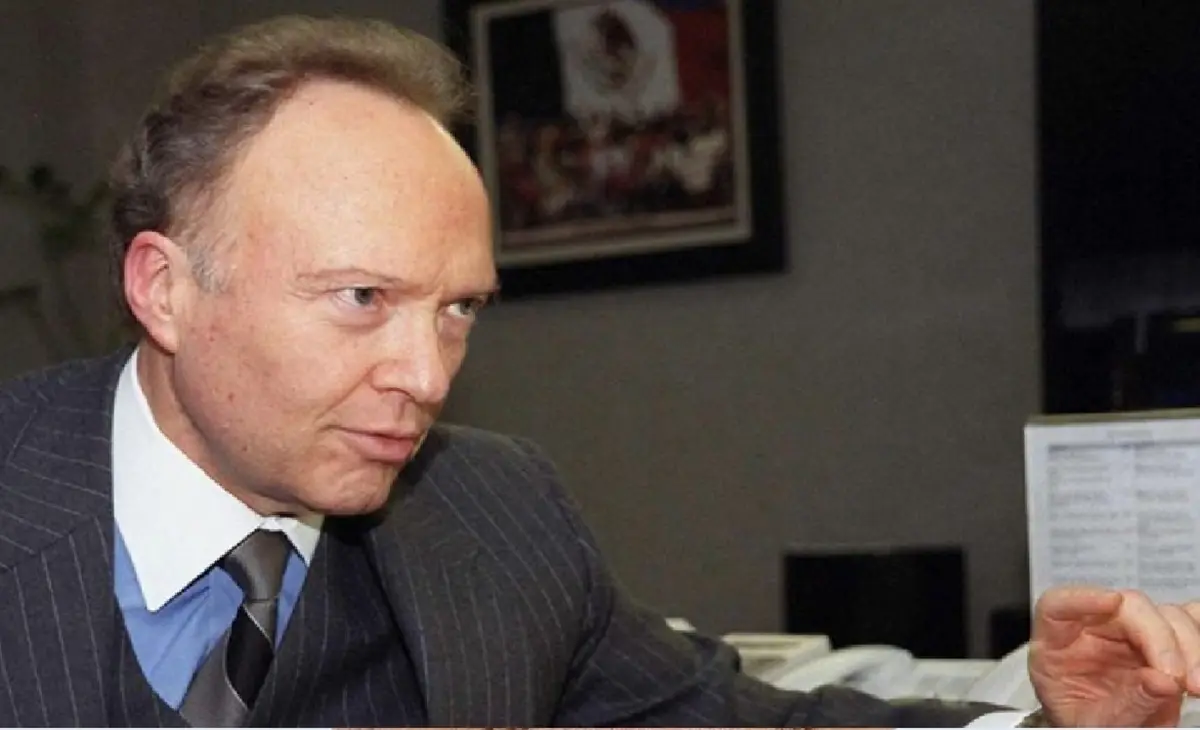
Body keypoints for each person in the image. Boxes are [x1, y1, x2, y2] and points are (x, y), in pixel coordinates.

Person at [0, 15, 1198, 728]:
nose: (425, 373)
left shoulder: (493, 510)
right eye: (362, 299)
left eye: (459, 309)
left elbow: (741, 722)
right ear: (164, 288)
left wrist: (1049, 725)